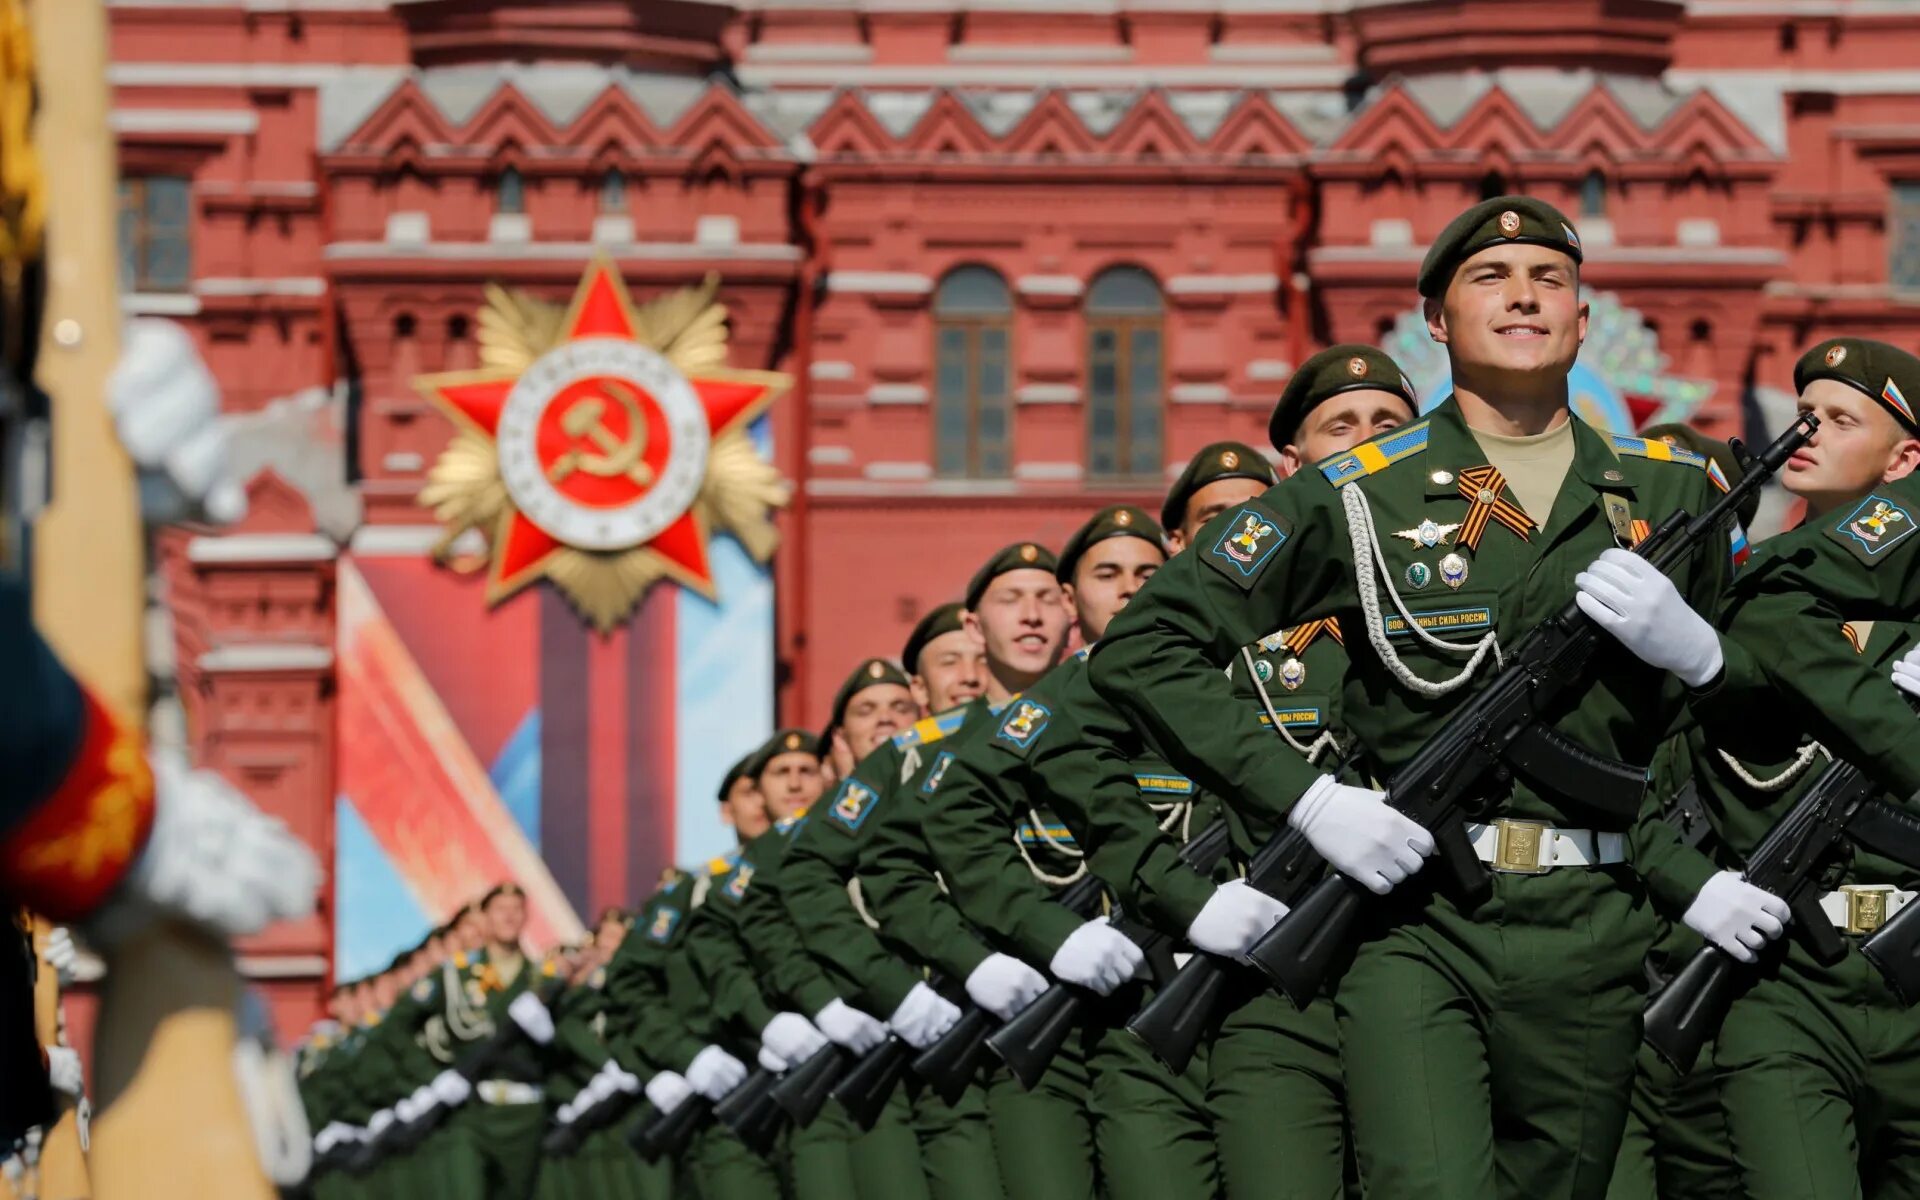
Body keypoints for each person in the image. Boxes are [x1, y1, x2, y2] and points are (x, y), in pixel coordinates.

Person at [1089, 196, 1759, 1199]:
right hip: (1423, 921)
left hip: (1601, 921)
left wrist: (1708, 659)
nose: (1525, 294)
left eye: (1551, 279)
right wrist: (1312, 802)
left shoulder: (1676, 489)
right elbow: (1147, 647)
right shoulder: (1358, 492)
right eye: (1491, 278)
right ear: (1435, 322)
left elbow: (1770, 720)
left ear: (1583, 318)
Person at [1612, 339, 1920, 1199]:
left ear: (1907, 459)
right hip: (1788, 970)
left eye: (1841, 419)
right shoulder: (1727, 602)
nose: (1808, 433)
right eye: (1804, 415)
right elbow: (1633, 770)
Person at [858, 543, 1084, 1200]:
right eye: (1012, 600)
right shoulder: (934, 753)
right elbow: (892, 880)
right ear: (975, 625)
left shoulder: (1113, 716)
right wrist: (972, 961)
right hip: (1005, 1018)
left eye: (1046, 599)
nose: (1033, 617)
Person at [778, 604, 1001, 1200]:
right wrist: (836, 1001)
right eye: (865, 712)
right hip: (902, 1015)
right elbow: (792, 904)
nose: (971, 676)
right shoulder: (883, 782)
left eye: (896, 711)